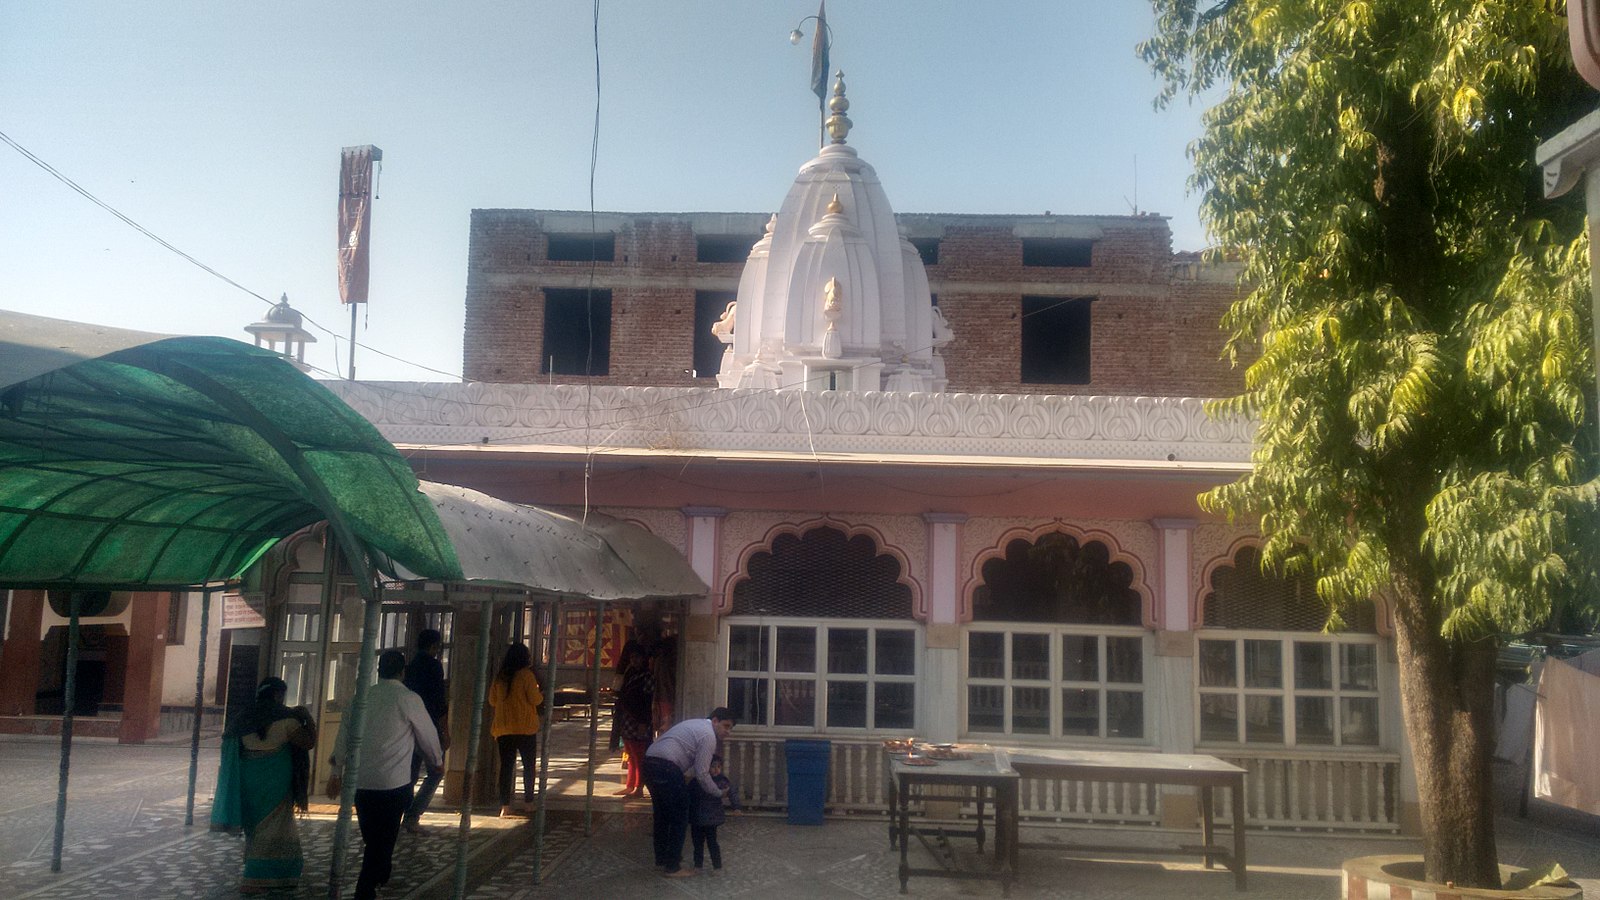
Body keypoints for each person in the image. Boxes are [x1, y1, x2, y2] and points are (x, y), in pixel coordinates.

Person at [326, 649, 443, 900]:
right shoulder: (408, 699)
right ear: (402, 672)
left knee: (374, 839)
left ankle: (376, 875)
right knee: (384, 839)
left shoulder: (361, 698)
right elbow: (427, 734)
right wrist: (437, 760)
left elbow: (343, 737)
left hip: (362, 782)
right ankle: (367, 886)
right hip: (394, 783)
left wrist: (336, 771)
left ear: (379, 670)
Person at [211, 677, 316, 894]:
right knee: (275, 829)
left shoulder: (242, 719)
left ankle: (258, 873)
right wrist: (308, 719)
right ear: (278, 695)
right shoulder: (288, 720)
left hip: (249, 783)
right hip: (276, 784)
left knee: (256, 829)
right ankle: (259, 877)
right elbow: (308, 743)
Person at [642, 707, 737, 877]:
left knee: (662, 814)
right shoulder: (708, 736)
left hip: (649, 763)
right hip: (667, 766)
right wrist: (718, 793)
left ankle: (661, 860)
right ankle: (673, 867)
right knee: (680, 815)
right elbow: (702, 773)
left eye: (730, 728)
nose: (728, 732)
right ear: (715, 721)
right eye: (726, 726)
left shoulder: (697, 725)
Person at [487, 641, 544, 818]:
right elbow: (536, 700)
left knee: (506, 767)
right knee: (528, 766)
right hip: (525, 728)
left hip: (504, 729)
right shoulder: (527, 676)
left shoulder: (500, 677)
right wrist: (540, 693)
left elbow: (492, 701)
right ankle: (528, 802)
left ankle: (505, 806)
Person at [401, 629, 449, 834]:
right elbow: (439, 702)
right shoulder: (434, 666)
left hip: (408, 727)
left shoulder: (410, 666)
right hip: (429, 726)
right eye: (438, 646)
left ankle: (401, 813)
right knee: (436, 771)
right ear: (433, 646)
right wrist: (444, 730)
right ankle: (413, 815)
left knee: (409, 773)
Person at [611, 641, 653, 797]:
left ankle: (639, 787)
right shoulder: (630, 673)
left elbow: (647, 701)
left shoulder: (647, 676)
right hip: (627, 719)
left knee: (639, 755)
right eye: (632, 657)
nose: (634, 660)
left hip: (640, 721)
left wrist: (644, 722)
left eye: (637, 657)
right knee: (630, 754)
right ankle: (630, 785)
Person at [690, 754, 740, 873]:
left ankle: (717, 866)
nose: (716, 769)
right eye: (713, 766)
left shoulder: (722, 781)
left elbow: (731, 792)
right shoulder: (698, 780)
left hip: (712, 818)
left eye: (719, 766)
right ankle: (698, 865)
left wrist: (736, 807)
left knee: (712, 843)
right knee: (697, 843)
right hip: (697, 817)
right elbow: (688, 795)